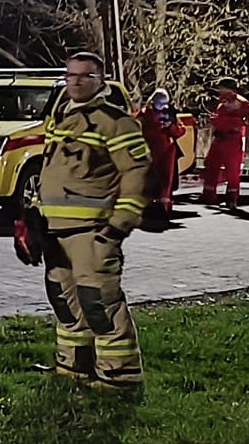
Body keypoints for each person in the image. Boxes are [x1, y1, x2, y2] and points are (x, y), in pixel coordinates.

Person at [35, 51, 150, 388]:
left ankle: (119, 375)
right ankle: (73, 368)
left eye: (85, 75)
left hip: (94, 232)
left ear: (101, 80)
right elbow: (51, 171)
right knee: (65, 302)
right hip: (56, 231)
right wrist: (33, 215)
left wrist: (119, 224)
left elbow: (136, 174)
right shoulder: (60, 118)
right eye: (70, 75)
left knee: (98, 302)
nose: (76, 81)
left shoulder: (114, 122)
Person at [200, 78, 249, 210]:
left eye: (221, 88)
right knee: (211, 165)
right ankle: (209, 195)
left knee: (232, 171)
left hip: (232, 139)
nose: (219, 91)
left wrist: (245, 123)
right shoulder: (222, 102)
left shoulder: (240, 102)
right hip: (219, 138)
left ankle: (231, 199)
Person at [136, 87, 186, 215]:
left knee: (166, 178)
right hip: (150, 148)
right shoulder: (145, 113)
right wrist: (158, 127)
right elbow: (137, 129)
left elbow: (180, 131)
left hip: (167, 149)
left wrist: (170, 126)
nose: (162, 106)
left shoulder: (170, 113)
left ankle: (164, 204)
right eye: (160, 103)